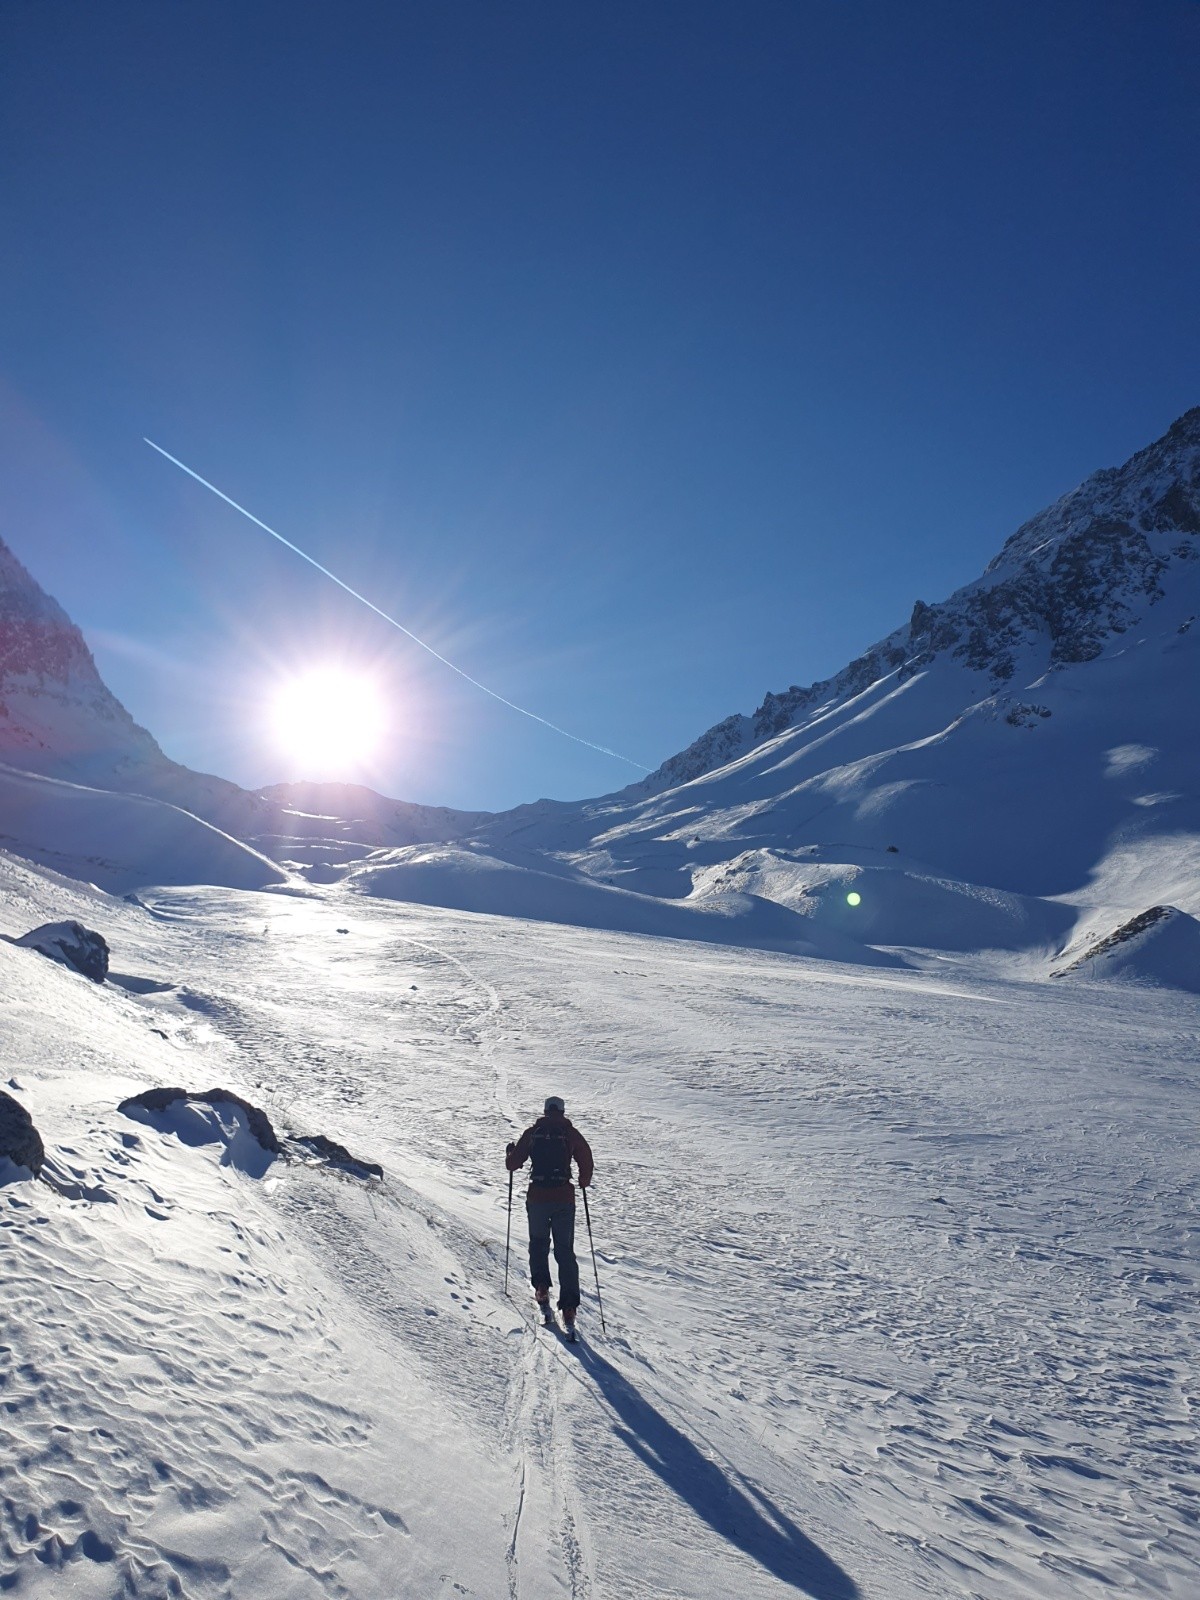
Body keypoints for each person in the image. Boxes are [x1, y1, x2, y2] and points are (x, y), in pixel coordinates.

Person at [506, 1095, 594, 1335]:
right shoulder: (569, 1133)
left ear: (545, 1111)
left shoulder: (534, 1132)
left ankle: (542, 1288)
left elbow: (513, 1164)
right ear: (563, 1111)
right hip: (564, 1198)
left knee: (538, 1244)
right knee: (565, 1251)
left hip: (537, 1198)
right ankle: (569, 1308)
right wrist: (583, 1180)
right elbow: (585, 1156)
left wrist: (510, 1153)